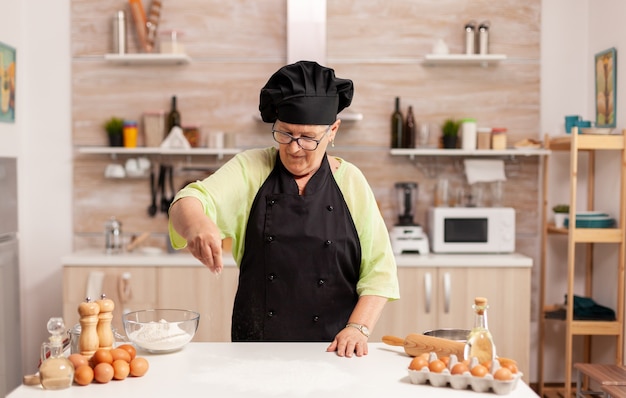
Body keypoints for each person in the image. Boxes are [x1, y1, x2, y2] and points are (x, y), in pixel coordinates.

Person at [168, 60, 400, 358]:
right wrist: (196, 223)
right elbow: (188, 201)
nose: (293, 147)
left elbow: (380, 272)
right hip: (256, 351)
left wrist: (359, 328)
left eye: (308, 138)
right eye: (285, 134)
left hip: (335, 350)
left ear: (332, 131)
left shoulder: (351, 181)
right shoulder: (252, 168)